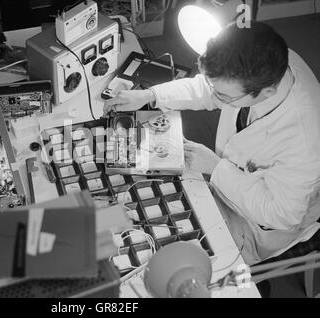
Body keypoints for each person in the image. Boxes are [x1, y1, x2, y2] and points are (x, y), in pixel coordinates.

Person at [103, 21, 320, 265]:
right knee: (137, 207)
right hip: (222, 180)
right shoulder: (266, 63)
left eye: (225, 97)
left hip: (257, 225)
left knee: (165, 254)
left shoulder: (304, 140)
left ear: (267, 92)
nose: (216, 98)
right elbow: (210, 88)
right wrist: (149, 96)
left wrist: (217, 168)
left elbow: (282, 216)